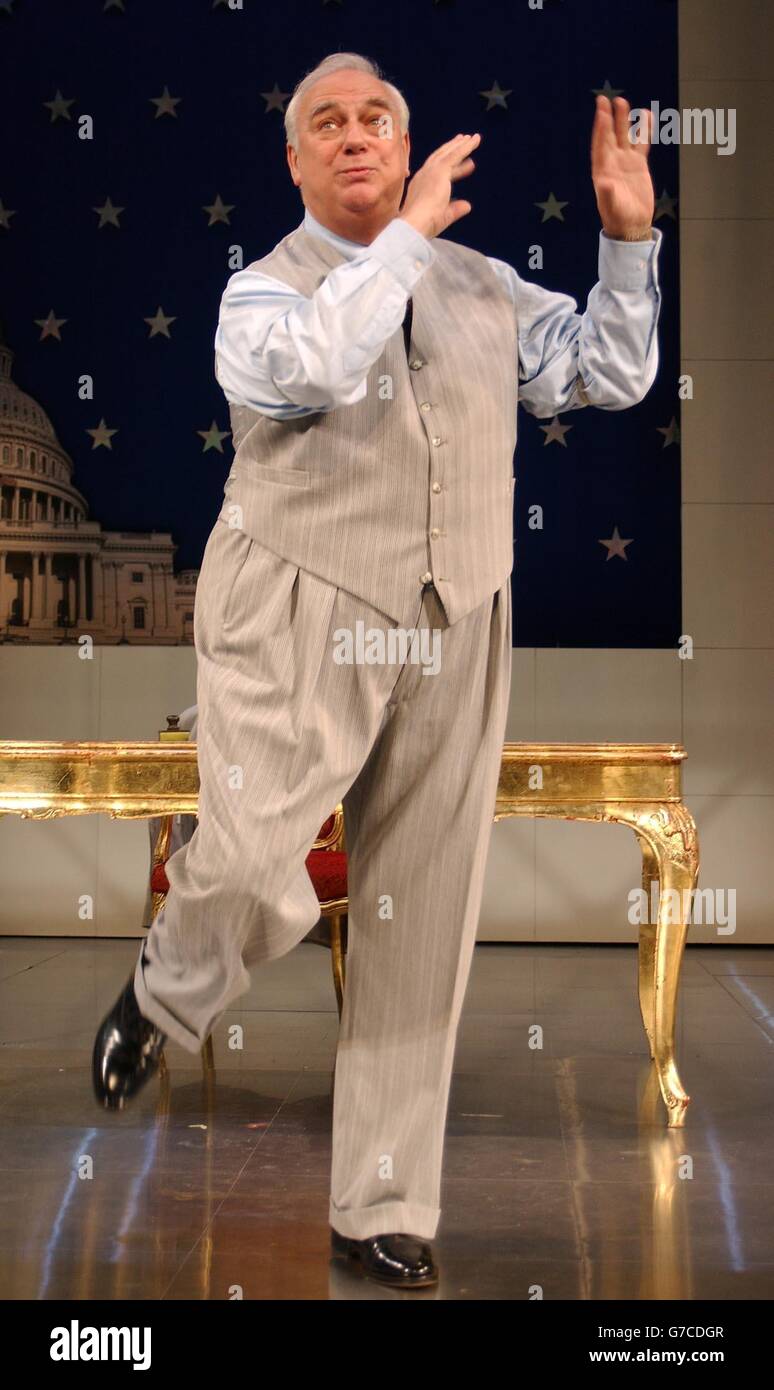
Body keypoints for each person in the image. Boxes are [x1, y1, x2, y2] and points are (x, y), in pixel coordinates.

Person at [93, 51, 662, 1290]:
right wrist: (399, 244)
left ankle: (382, 1207)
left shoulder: (482, 286)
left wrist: (629, 243)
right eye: (326, 124)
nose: (355, 136)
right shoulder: (261, 294)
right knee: (248, 855)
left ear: (404, 148)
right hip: (297, 598)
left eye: (379, 120)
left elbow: (609, 374)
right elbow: (311, 367)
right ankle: (169, 987)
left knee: (420, 914)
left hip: (455, 609)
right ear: (295, 160)